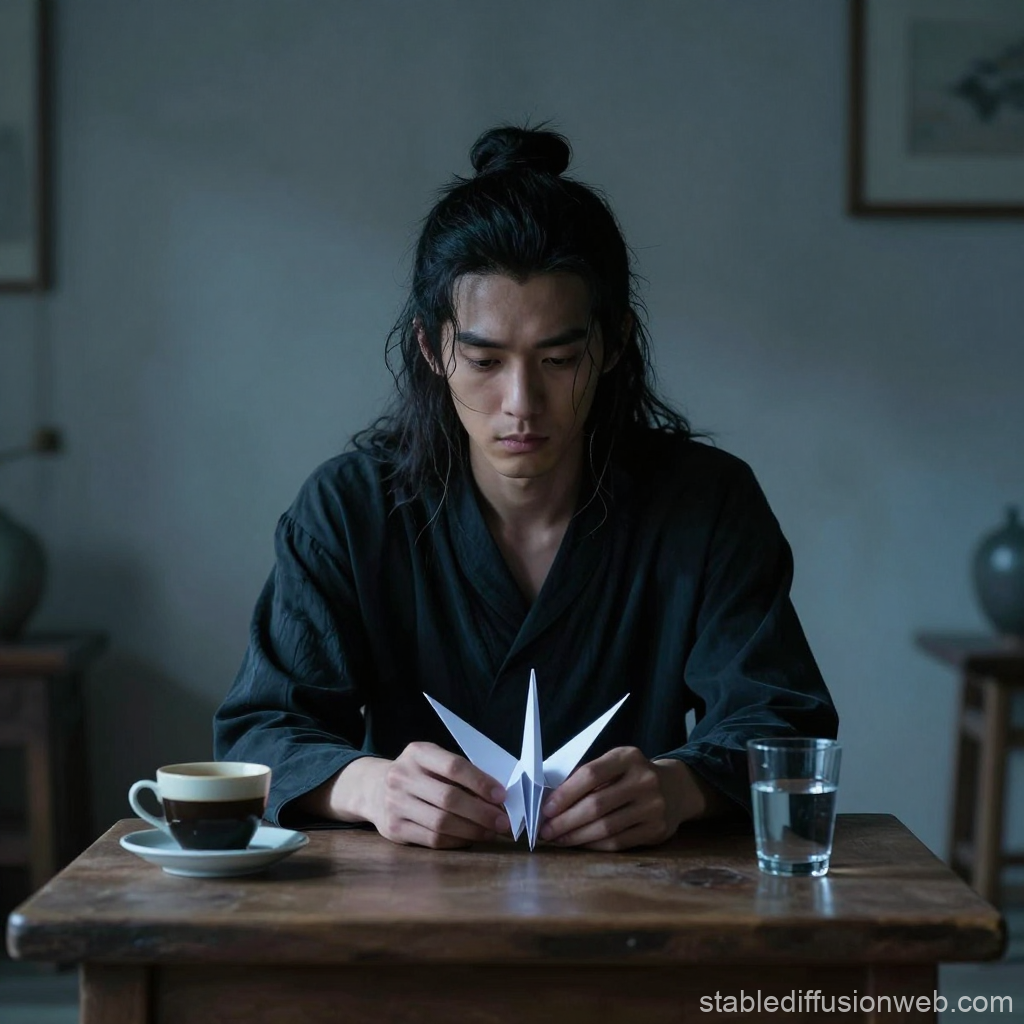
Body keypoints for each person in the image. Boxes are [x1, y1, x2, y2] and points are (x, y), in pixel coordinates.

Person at [213, 124, 838, 852]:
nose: (521, 402)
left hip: (646, 907)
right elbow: (259, 731)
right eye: (484, 361)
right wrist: (372, 787)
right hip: (402, 911)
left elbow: (783, 721)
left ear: (611, 346)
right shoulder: (348, 512)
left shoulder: (706, 505)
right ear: (431, 347)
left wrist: (677, 786)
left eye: (559, 358)